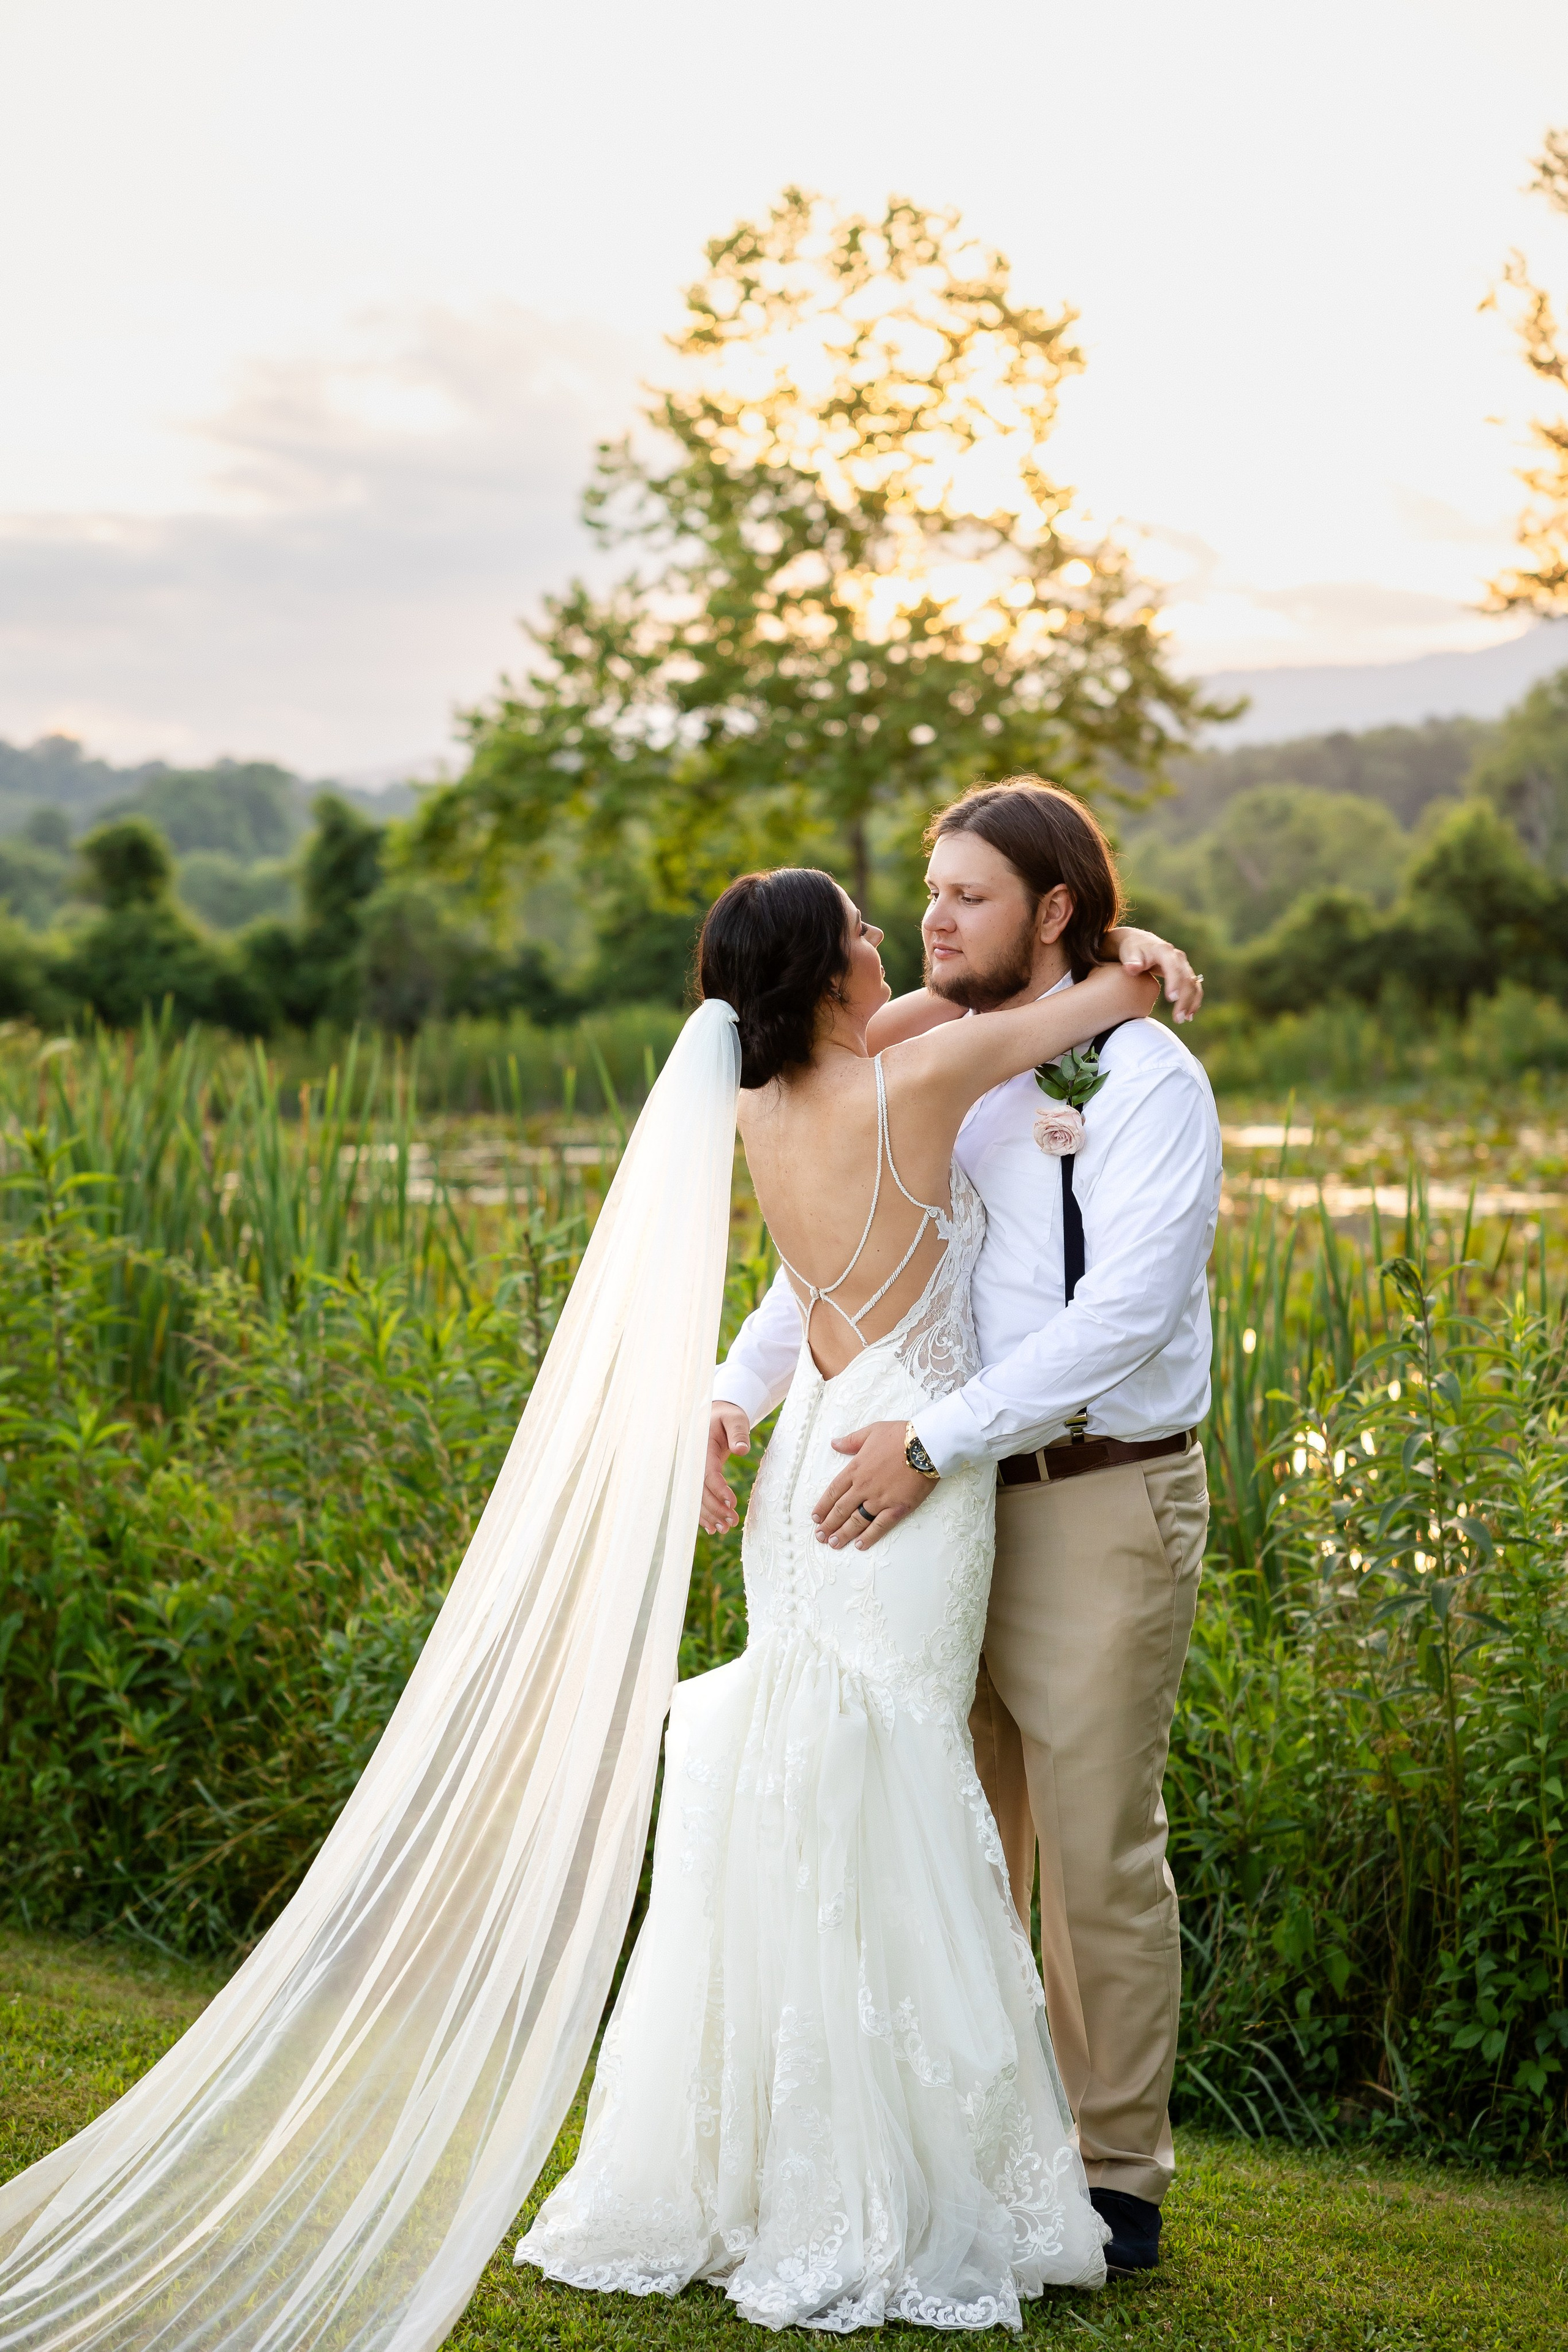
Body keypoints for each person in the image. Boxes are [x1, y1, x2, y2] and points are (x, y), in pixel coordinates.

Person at [517, 859, 1200, 2330]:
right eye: (870, 932)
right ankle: (911, 2174)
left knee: (818, 1785)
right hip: (911, 1463)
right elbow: (1107, 993)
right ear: (827, 975)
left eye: (945, 901)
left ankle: (781, 2149)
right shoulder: (932, 1065)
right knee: (909, 1800)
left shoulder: (762, 1105)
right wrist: (1129, 949)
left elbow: (798, 1276)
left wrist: (726, 1401)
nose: (899, 937)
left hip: (813, 1456)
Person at [706, 780, 1223, 2281]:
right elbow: (832, 1268)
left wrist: (935, 1437)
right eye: (921, 895)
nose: (930, 922)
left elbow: (1125, 1319)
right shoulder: (937, 1050)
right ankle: (978, 2144)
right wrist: (731, 1391)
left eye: (965, 897)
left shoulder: (1141, 1082)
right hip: (940, 1503)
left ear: (1053, 910)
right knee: (952, 1826)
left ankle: (1114, 2173)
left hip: (1091, 1492)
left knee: (1093, 1846)